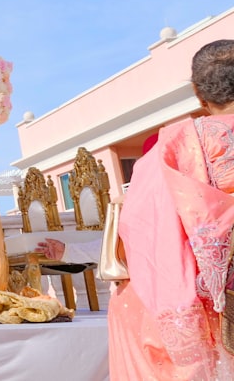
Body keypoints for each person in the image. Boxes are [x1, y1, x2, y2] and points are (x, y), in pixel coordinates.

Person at [109, 39, 234, 379]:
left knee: (125, 308)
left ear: (198, 93)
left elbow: (142, 231)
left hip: (211, 311)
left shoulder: (171, 150)